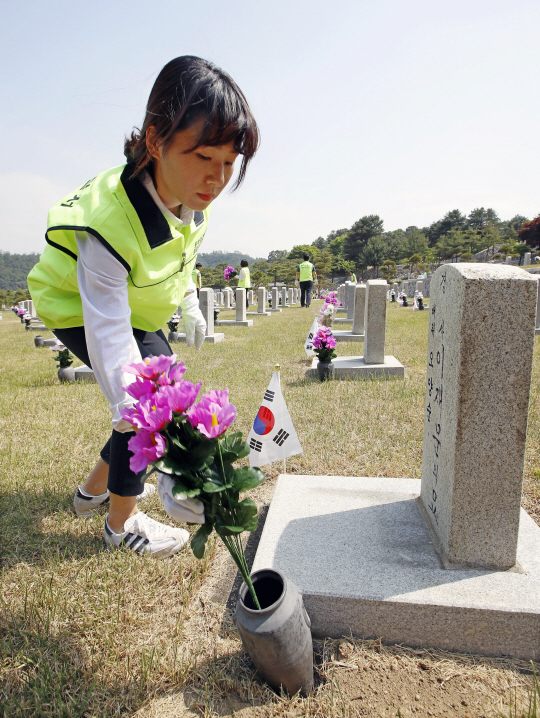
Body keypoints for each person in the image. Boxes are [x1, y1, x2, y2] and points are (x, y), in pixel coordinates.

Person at [28, 56, 259, 559]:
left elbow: (183, 259)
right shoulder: (111, 219)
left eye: (229, 161)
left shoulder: (190, 198)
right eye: (203, 157)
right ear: (155, 140)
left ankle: (92, 492)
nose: (217, 178)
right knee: (146, 404)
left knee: (153, 398)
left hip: (138, 309)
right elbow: (110, 333)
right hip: (76, 305)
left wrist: (193, 303)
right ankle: (119, 523)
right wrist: (174, 456)